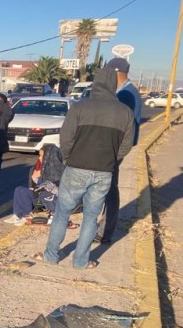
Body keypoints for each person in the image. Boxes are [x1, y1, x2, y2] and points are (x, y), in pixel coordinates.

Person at [36, 65, 135, 269]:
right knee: (91, 217)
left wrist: (69, 159)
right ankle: (81, 261)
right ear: (113, 84)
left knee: (62, 213)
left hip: (76, 168)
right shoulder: (125, 112)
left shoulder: (80, 107)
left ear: (96, 83)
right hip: (104, 171)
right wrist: (110, 160)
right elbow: (126, 145)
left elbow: (66, 138)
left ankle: (51, 255)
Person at [95, 57, 142, 244]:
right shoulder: (127, 91)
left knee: (108, 189)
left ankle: (104, 231)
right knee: (108, 188)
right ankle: (104, 228)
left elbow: (118, 125)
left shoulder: (125, 95)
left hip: (114, 148)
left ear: (115, 73)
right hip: (116, 148)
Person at [3, 143, 64, 225]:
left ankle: (26, 215)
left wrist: (39, 184)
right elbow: (33, 183)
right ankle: (17, 215)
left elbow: (54, 188)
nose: (39, 158)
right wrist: (35, 179)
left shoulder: (56, 170)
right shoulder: (37, 168)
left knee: (25, 192)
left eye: (42, 156)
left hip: (48, 198)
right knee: (19, 189)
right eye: (39, 156)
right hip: (38, 193)